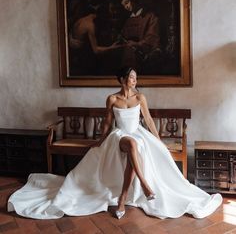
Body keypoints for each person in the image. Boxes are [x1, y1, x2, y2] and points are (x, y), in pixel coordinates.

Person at [7, 67, 222, 220]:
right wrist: (99, 141)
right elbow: (108, 123)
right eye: (131, 77)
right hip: (119, 135)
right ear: (121, 80)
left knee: (135, 147)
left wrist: (159, 141)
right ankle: (145, 186)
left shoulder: (140, 98)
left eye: (136, 77)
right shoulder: (112, 99)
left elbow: (147, 120)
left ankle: (123, 198)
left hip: (138, 135)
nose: (134, 80)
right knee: (130, 144)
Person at [119, 0, 162, 74]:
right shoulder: (128, 20)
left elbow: (152, 37)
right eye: (124, 5)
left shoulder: (150, 16)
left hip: (143, 56)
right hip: (128, 57)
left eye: (127, 2)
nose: (126, 7)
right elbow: (124, 38)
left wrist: (137, 44)